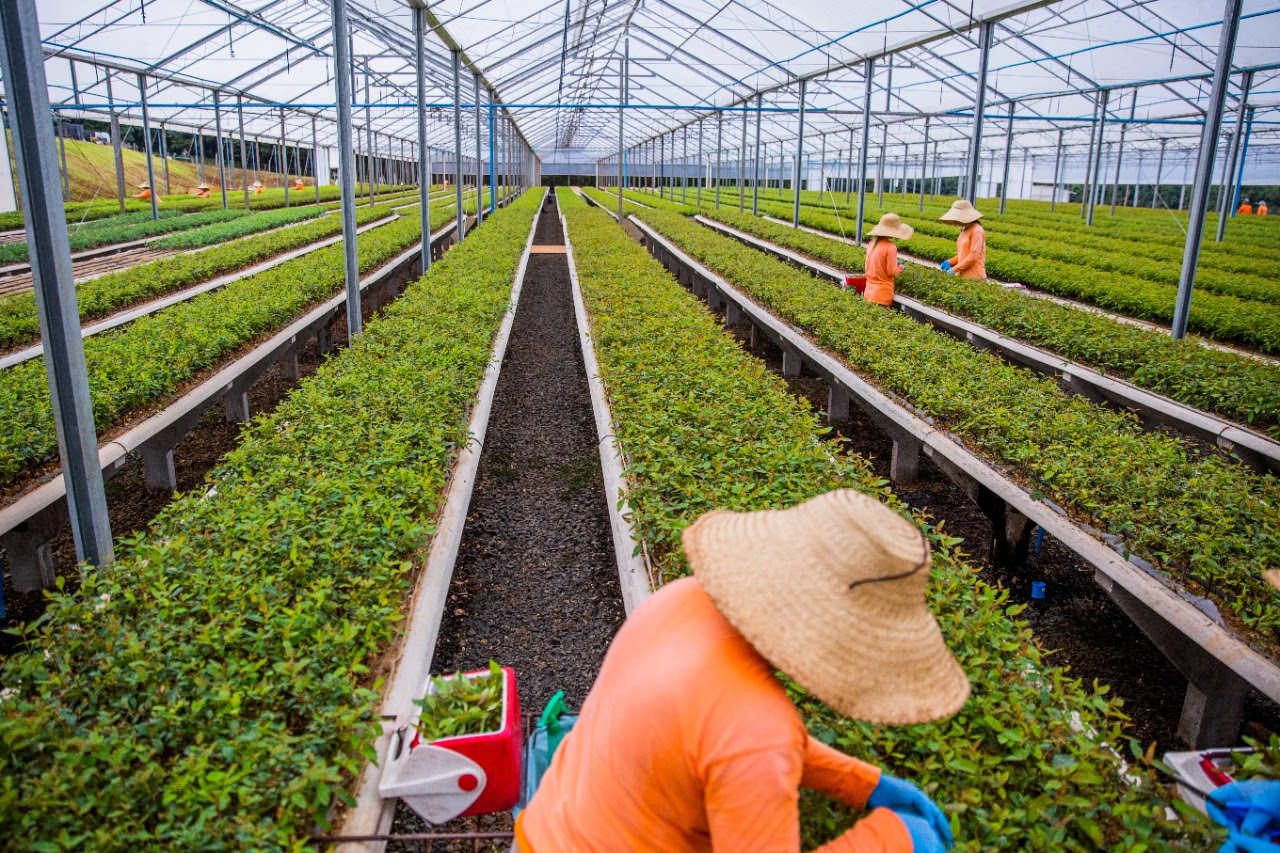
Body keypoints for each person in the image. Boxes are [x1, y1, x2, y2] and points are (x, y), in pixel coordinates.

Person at [517, 489, 971, 853]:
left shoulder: (680, 599)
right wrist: (895, 839)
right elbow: (746, 740)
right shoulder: (756, 732)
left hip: (543, 829)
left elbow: (721, 738)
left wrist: (863, 783)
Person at [863, 213, 914, 307]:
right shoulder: (890, 247)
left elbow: (868, 267)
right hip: (882, 295)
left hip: (868, 292)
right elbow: (891, 272)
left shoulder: (871, 244)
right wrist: (901, 267)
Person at [938, 200, 986, 280]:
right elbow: (964, 254)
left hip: (975, 277)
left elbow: (973, 256)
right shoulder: (964, 230)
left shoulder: (977, 231)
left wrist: (954, 269)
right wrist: (950, 262)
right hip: (962, 275)